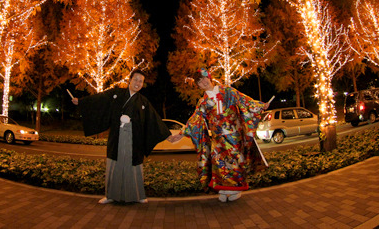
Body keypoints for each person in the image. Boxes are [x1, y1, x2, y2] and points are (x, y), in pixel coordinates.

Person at [169, 68, 269, 202]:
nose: (203, 82)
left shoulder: (228, 91)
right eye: (199, 81)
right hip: (218, 140)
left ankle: (234, 190)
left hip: (234, 138)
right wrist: (181, 134)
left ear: (209, 78)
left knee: (234, 163)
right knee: (220, 164)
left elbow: (244, 100)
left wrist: (260, 106)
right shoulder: (203, 103)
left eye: (204, 78)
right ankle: (223, 189)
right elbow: (195, 120)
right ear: (198, 86)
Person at [72, 70, 172, 204]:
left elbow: (154, 120)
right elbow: (100, 99)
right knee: (114, 164)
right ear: (129, 80)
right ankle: (110, 195)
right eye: (135, 79)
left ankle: (138, 195)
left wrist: (168, 136)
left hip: (134, 138)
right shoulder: (116, 93)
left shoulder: (143, 101)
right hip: (117, 135)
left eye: (140, 81)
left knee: (134, 166)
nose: (138, 83)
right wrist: (81, 102)